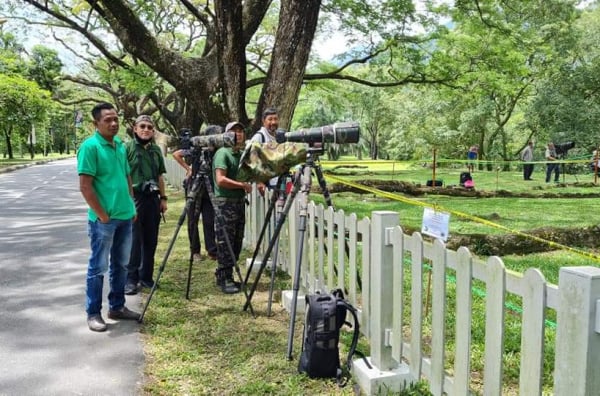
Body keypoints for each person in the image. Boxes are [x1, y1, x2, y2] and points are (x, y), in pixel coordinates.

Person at [77, 102, 140, 332]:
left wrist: (131, 205)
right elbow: (85, 187)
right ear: (96, 123)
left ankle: (117, 307)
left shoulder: (120, 146)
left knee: (121, 265)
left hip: (125, 217)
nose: (113, 124)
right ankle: (93, 313)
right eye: (107, 120)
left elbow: (126, 176)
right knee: (98, 267)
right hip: (103, 221)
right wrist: (102, 215)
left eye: (116, 119)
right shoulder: (90, 147)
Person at [124, 115, 168, 295]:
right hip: (135, 197)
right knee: (134, 240)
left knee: (151, 239)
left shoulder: (156, 150)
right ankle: (131, 279)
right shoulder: (126, 148)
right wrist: (128, 200)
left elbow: (159, 176)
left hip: (153, 198)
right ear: (135, 128)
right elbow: (123, 176)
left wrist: (163, 198)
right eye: (142, 126)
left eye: (150, 127)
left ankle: (146, 277)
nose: (146, 130)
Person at [212, 121, 253, 294]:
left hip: (238, 202)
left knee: (237, 240)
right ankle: (224, 277)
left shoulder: (241, 154)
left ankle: (227, 275)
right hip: (225, 202)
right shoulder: (223, 153)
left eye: (241, 131)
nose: (238, 134)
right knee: (225, 240)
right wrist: (241, 185)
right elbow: (220, 179)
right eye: (234, 131)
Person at [172, 126, 219, 262]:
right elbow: (176, 154)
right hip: (194, 186)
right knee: (192, 220)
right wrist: (189, 169)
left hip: (208, 188)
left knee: (209, 220)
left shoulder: (217, 152)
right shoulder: (197, 148)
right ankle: (195, 251)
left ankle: (212, 250)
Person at [251, 107, 280, 195]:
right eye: (270, 119)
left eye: (275, 119)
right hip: (264, 186)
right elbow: (250, 160)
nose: (273, 122)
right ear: (264, 121)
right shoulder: (259, 137)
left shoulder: (279, 136)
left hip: (277, 183)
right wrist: (259, 182)